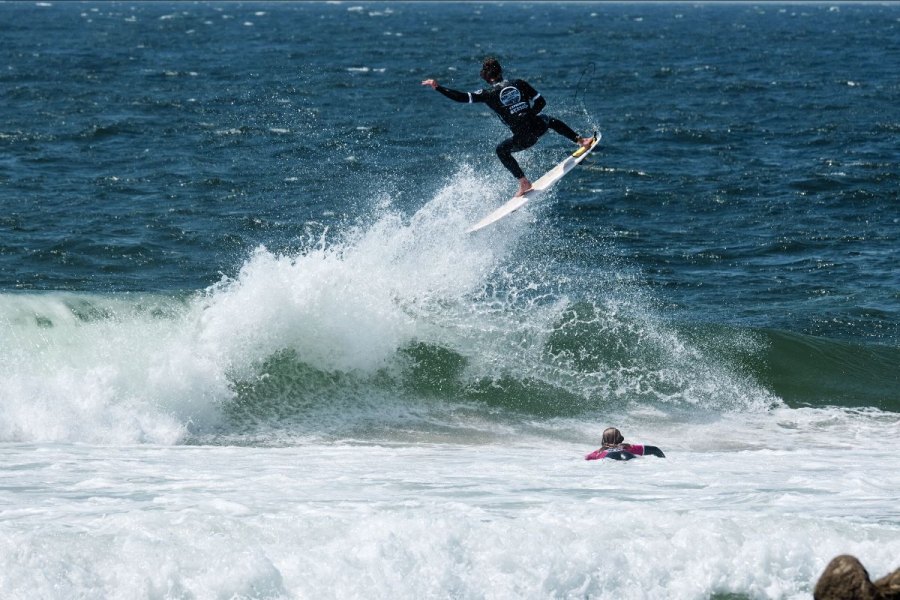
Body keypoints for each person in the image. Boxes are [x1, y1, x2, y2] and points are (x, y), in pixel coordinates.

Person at [421, 57, 594, 197]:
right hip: (538, 128)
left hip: (523, 139)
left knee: (501, 150)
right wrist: (530, 115)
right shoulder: (519, 83)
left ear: (485, 77)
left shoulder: (487, 94)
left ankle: (523, 181)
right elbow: (541, 102)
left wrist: (438, 87)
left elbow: (460, 97)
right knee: (549, 120)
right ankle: (581, 140)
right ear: (500, 72)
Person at [585, 427, 666, 461]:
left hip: (609, 456)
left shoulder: (598, 452)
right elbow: (655, 449)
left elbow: (586, 458)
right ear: (619, 438)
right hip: (627, 454)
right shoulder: (628, 447)